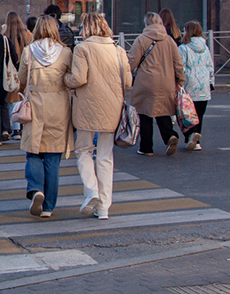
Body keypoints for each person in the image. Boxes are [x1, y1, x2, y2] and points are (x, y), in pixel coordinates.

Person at [64, 13, 131, 220]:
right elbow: (127, 82)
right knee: (105, 157)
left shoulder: (83, 48)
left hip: (87, 108)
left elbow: (78, 79)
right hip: (113, 108)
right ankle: (103, 207)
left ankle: (91, 190)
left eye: (82, 27)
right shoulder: (119, 50)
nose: (80, 31)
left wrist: (65, 78)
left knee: (83, 150)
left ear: (89, 28)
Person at [18, 15, 73, 218]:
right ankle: (48, 207)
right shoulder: (66, 52)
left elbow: (21, 78)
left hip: (35, 105)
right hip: (59, 106)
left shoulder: (29, 51)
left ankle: (35, 188)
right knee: (52, 157)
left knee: (33, 151)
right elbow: (72, 77)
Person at [128, 12, 185, 156]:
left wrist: (127, 74)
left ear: (146, 24)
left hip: (145, 82)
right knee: (163, 111)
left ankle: (146, 148)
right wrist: (180, 80)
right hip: (166, 81)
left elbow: (132, 61)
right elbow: (178, 62)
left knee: (145, 114)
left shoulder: (141, 39)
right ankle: (170, 136)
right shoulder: (169, 40)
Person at [178, 21, 214, 151]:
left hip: (189, 84)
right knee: (199, 114)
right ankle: (196, 141)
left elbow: (180, 67)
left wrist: (178, 82)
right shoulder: (205, 48)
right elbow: (210, 66)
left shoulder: (183, 48)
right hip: (203, 84)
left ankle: (191, 135)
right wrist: (211, 82)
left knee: (185, 114)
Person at [5, 11, 33, 140]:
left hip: (11, 71)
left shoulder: (5, 35)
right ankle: (24, 125)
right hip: (26, 69)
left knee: (13, 101)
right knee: (25, 98)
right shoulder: (27, 35)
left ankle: (15, 129)